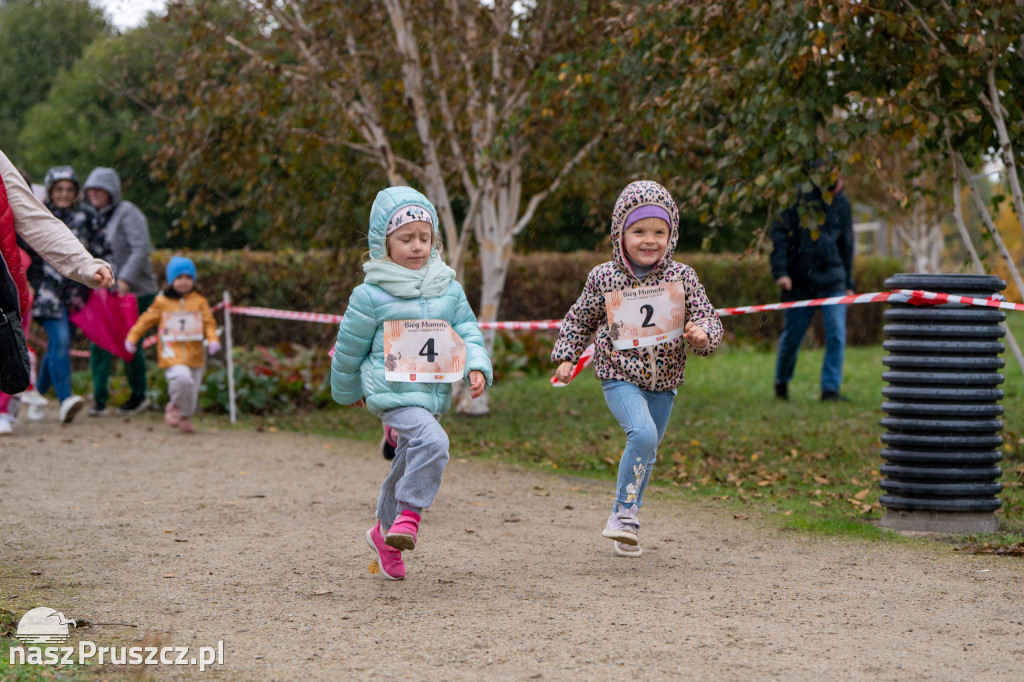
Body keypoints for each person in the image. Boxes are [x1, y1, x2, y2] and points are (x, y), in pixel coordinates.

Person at [552, 180, 722, 558]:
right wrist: (566, 356)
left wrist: (701, 335)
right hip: (619, 374)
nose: (650, 240)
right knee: (642, 434)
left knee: (649, 449)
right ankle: (625, 516)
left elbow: (709, 319)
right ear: (620, 233)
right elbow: (579, 319)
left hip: (665, 382)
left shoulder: (683, 277)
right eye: (639, 231)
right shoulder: (604, 278)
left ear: (672, 234)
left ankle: (623, 518)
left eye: (659, 232)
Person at [331, 186, 492, 580]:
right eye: (406, 239)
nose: (417, 246)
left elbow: (468, 329)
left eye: (425, 238)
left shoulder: (448, 288)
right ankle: (408, 518)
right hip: (391, 390)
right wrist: (348, 390)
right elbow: (349, 347)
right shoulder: (369, 295)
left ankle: (383, 535)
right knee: (434, 442)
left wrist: (476, 363)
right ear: (383, 243)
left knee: (405, 462)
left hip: (432, 394)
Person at [0, 150, 113, 435]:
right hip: (47, 299)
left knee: (56, 344)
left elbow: (35, 220)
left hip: (65, 297)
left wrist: (83, 264)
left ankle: (51, 398)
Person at [769, 166, 855, 402]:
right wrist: (781, 272)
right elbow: (779, 236)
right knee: (793, 337)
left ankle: (830, 390)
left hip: (834, 281)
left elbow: (847, 245)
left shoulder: (842, 203)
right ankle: (782, 381)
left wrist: (849, 282)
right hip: (799, 282)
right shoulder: (798, 198)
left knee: (837, 335)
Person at [21, 166, 98, 424]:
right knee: (62, 340)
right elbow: (27, 254)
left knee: (58, 346)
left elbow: (98, 251)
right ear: (51, 191)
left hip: (76, 296)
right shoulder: (38, 216)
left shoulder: (86, 218)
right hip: (47, 294)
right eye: (59, 189)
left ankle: (38, 395)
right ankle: (65, 400)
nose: (64, 194)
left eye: (69, 189)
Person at [82, 167, 159, 416]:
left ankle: (139, 395)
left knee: (130, 342)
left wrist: (124, 279)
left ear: (111, 191)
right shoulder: (90, 216)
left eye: (99, 188)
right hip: (104, 292)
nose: (94, 193)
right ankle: (100, 400)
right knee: (99, 342)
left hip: (134, 292)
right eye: (90, 188)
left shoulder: (128, 213)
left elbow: (140, 249)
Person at [123, 256, 219, 434]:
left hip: (195, 353)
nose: (184, 282)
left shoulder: (200, 301)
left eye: (188, 278)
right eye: (179, 277)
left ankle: (185, 416)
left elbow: (208, 323)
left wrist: (213, 339)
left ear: (194, 280)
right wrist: (133, 337)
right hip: (171, 351)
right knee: (182, 379)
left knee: (192, 389)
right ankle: (174, 405)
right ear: (171, 280)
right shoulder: (162, 302)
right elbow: (146, 320)